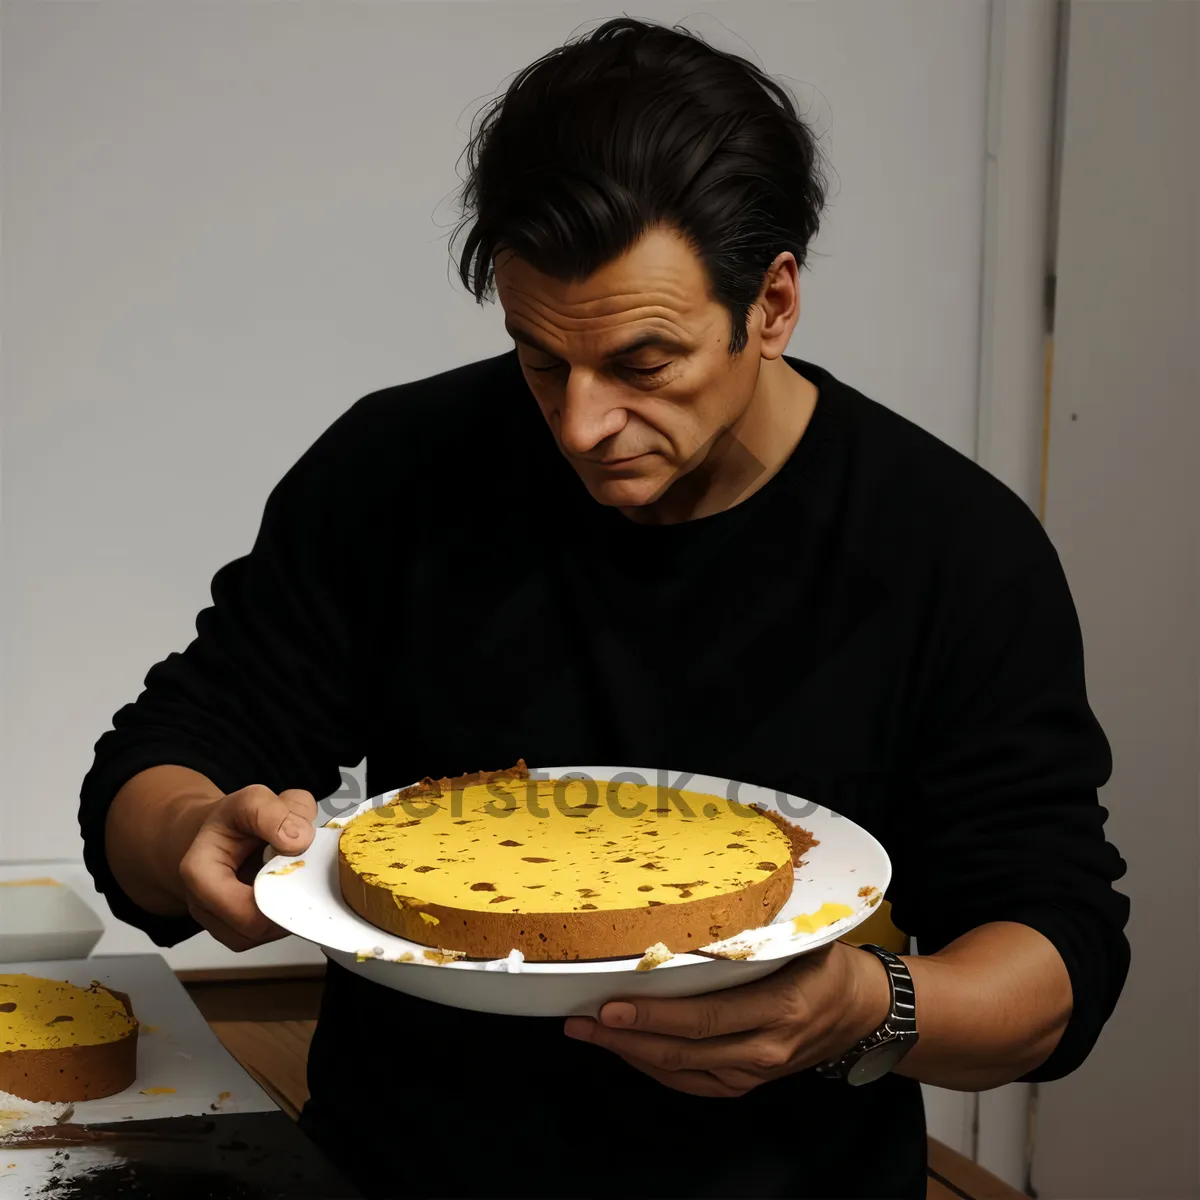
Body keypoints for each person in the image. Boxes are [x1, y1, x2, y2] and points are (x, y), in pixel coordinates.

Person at [80, 18, 1129, 1200]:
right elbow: (161, 762)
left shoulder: (951, 547)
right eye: (539, 357)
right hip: (397, 1172)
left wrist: (863, 1010)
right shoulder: (397, 470)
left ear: (772, 304)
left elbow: (1057, 958)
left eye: (643, 364)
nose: (581, 425)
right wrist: (186, 841)